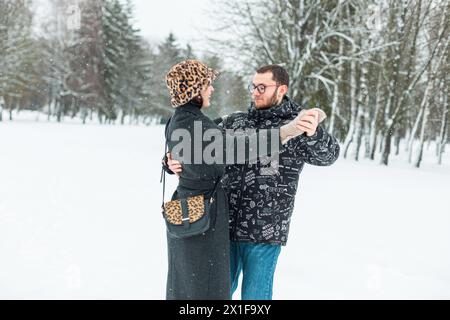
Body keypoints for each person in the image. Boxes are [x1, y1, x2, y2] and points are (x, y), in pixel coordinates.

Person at [167, 64, 340, 300]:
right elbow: (194, 145)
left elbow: (329, 156)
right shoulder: (235, 121)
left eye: (262, 87)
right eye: (253, 86)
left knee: (255, 299)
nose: (255, 92)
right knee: (214, 295)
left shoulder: (296, 126)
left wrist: (315, 134)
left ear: (281, 90)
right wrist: (170, 161)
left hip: (264, 233)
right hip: (223, 227)